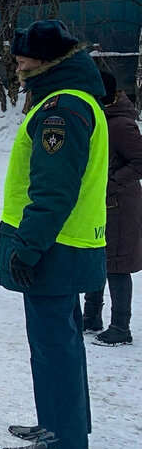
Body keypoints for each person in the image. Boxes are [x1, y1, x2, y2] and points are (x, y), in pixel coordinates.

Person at [0, 20, 107, 449]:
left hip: (54, 248)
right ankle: (64, 424)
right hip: (68, 244)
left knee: (54, 345)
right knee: (65, 342)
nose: (17, 66)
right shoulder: (73, 100)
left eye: (21, 59)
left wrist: (28, 246)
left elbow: (53, 190)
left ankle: (64, 444)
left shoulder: (62, 108)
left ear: (46, 60)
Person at [83, 70, 142, 346]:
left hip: (119, 203)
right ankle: (92, 316)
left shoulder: (119, 124)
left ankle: (121, 326)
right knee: (97, 258)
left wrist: (109, 184)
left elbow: (139, 162)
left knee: (117, 265)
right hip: (101, 204)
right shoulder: (100, 118)